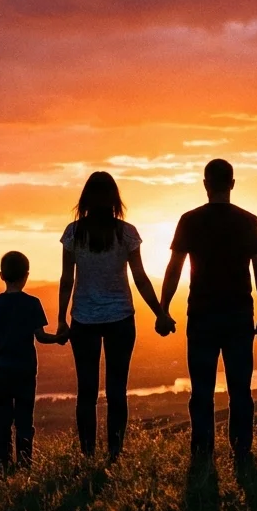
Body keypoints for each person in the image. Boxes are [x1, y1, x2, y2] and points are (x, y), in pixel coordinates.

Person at [56, 172, 173, 461]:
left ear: (85, 199)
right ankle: (115, 455)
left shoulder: (74, 232)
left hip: (83, 319)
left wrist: (61, 319)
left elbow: (66, 280)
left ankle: (87, 455)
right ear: (114, 199)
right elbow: (141, 279)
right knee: (117, 391)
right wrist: (160, 314)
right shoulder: (126, 233)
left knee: (86, 392)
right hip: (121, 318)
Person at [159, 158, 257, 459]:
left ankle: (203, 450)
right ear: (232, 184)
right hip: (238, 315)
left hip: (202, 315)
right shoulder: (249, 221)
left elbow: (174, 269)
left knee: (202, 391)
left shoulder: (190, 220)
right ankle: (242, 449)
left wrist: (163, 309)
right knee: (240, 389)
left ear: (206, 184)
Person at [0, 251, 64, 468]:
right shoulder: (32, 303)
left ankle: (2, 461)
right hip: (26, 370)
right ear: (27, 275)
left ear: (1, 275)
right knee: (25, 418)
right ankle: (25, 463)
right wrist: (59, 338)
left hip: (1, 370)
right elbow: (41, 337)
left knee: (3, 418)